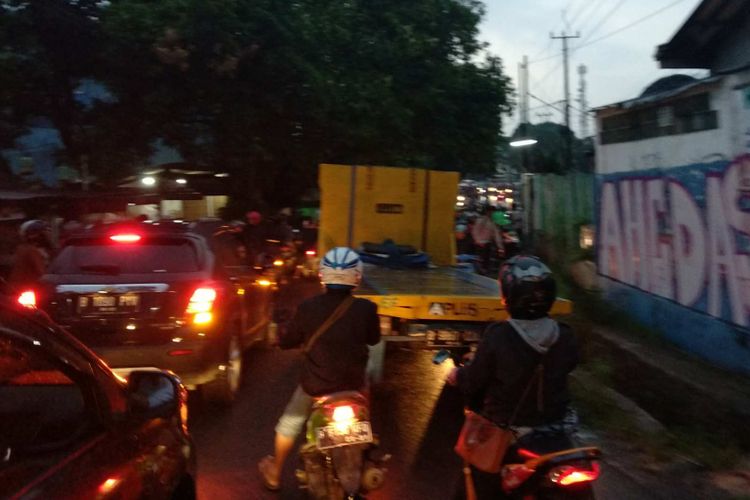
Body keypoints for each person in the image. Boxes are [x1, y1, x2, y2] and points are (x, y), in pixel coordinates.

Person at [446, 255, 579, 499]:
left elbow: (473, 381)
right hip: (558, 429)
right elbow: (569, 365)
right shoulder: (566, 335)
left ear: (509, 295)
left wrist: (457, 375)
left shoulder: (499, 335)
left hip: (509, 429)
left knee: (475, 476)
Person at [258, 247, 381, 491]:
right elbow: (374, 339)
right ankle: (366, 445)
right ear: (356, 277)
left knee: (290, 422)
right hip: (352, 385)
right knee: (365, 399)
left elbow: (289, 339)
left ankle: (275, 472)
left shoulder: (308, 307)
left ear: (323, 276)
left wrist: (280, 339)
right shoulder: (367, 308)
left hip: (316, 386)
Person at [8, 220, 52, 290]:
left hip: (20, 288)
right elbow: (41, 272)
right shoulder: (30, 250)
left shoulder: (21, 249)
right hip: (31, 288)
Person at [471, 206, 504, 274]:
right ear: (487, 212)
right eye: (491, 212)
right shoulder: (481, 220)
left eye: (493, 212)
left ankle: (484, 271)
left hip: (487, 243)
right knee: (481, 259)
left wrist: (500, 246)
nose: (492, 213)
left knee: (486, 259)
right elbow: (475, 231)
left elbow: (496, 235)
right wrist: (478, 241)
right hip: (480, 243)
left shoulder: (492, 222)